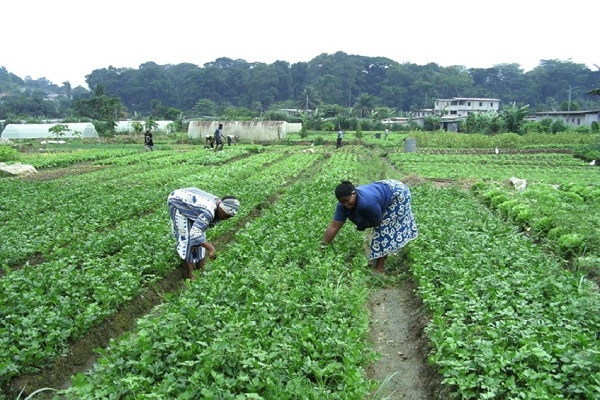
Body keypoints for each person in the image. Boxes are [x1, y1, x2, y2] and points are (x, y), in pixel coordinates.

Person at [321, 180, 418, 273]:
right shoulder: (342, 205)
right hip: (384, 188)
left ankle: (380, 268)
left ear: (354, 193)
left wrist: (362, 226)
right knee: (379, 227)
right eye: (342, 202)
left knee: (383, 230)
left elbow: (377, 222)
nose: (345, 204)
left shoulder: (367, 203)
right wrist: (322, 245)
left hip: (398, 193)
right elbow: (334, 226)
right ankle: (376, 258)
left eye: (347, 200)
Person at [167, 188, 240, 280]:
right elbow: (195, 233)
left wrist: (197, 241)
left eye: (229, 217)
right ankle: (191, 273)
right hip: (177, 202)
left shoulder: (219, 208)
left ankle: (201, 270)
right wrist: (211, 248)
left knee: (199, 239)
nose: (226, 219)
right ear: (221, 208)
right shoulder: (209, 211)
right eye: (225, 215)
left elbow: (200, 230)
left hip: (191, 204)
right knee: (186, 237)